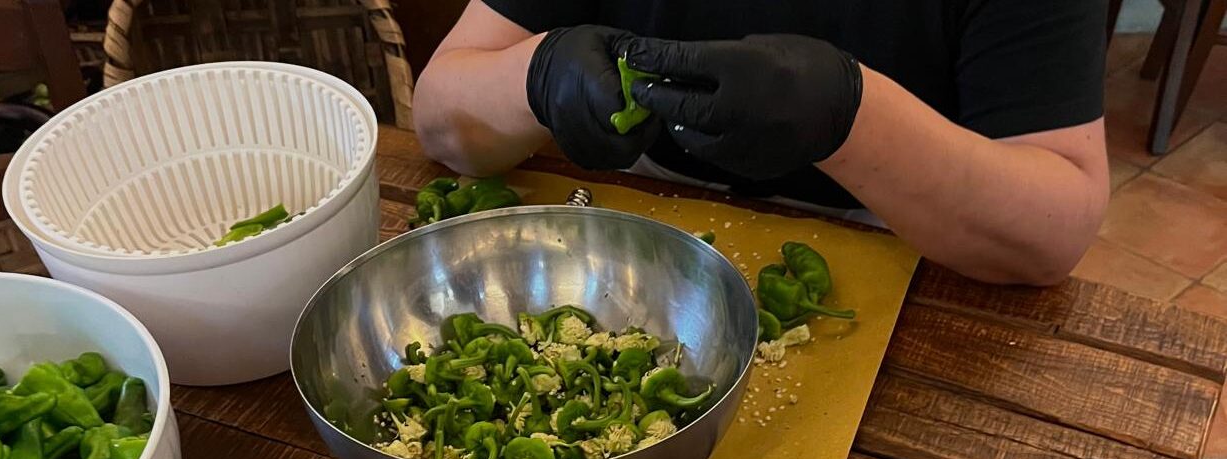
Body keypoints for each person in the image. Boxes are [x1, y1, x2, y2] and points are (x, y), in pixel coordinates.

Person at [412, 1, 1110, 286]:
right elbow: (440, 112)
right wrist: (536, 74)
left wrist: (849, 116)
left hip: (906, 256)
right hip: (632, 256)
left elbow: (1057, 226)